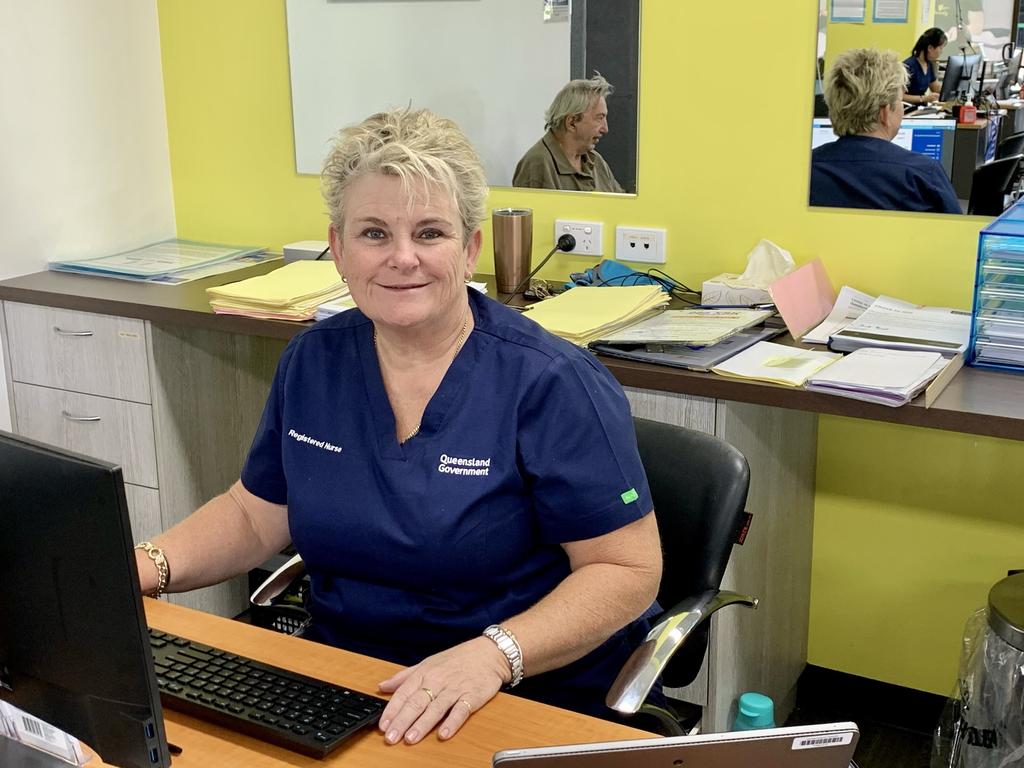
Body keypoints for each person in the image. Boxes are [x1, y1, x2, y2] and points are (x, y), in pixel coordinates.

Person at [134, 107, 663, 745]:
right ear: (338, 247)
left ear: (470, 249)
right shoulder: (314, 360)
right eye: (375, 233)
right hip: (344, 682)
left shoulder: (551, 382)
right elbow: (256, 514)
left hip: (520, 689)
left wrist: (495, 655)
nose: (403, 258)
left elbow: (627, 570)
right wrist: (145, 565)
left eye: (431, 233)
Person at [810, 48, 961, 214]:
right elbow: (955, 231)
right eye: (901, 102)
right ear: (886, 111)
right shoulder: (924, 174)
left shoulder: (806, 169)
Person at [512, 74, 625, 192]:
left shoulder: (597, 161)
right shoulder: (537, 165)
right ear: (572, 122)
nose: (605, 129)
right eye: (599, 118)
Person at [904, 28, 946, 105]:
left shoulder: (928, 64)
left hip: (921, 108)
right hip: (908, 110)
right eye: (940, 48)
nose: (942, 51)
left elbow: (936, 88)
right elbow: (900, 96)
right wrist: (924, 98)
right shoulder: (909, 66)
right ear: (930, 48)